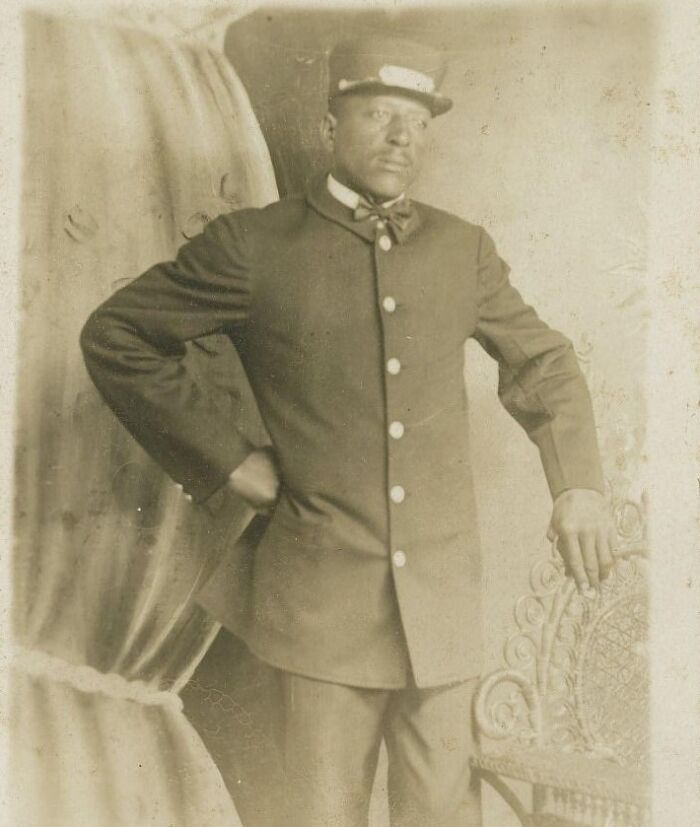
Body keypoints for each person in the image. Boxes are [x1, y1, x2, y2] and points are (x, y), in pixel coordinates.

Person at [80, 35, 616, 827]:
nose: (402, 137)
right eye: (378, 114)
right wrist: (229, 461)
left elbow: (545, 362)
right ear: (331, 123)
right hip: (318, 608)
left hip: (441, 606)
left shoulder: (462, 250)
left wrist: (577, 484)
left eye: (417, 121)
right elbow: (117, 336)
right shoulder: (255, 247)